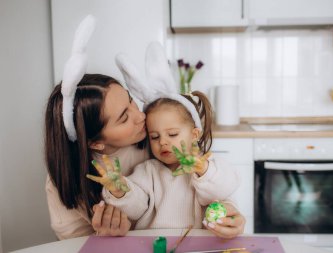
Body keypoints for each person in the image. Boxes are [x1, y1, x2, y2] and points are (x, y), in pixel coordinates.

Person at [44, 16, 245, 240]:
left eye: (131, 100)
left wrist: (230, 211)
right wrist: (117, 193)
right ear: (95, 142)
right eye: (123, 118)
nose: (141, 115)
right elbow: (135, 203)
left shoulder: (162, 144)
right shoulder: (146, 168)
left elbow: (221, 189)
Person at [88, 90, 240, 231]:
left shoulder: (209, 165)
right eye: (155, 137)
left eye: (172, 134)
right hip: (154, 243)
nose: (163, 142)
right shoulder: (148, 170)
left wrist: (202, 169)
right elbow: (136, 209)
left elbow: (223, 189)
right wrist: (119, 189)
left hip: (196, 242)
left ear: (194, 135)